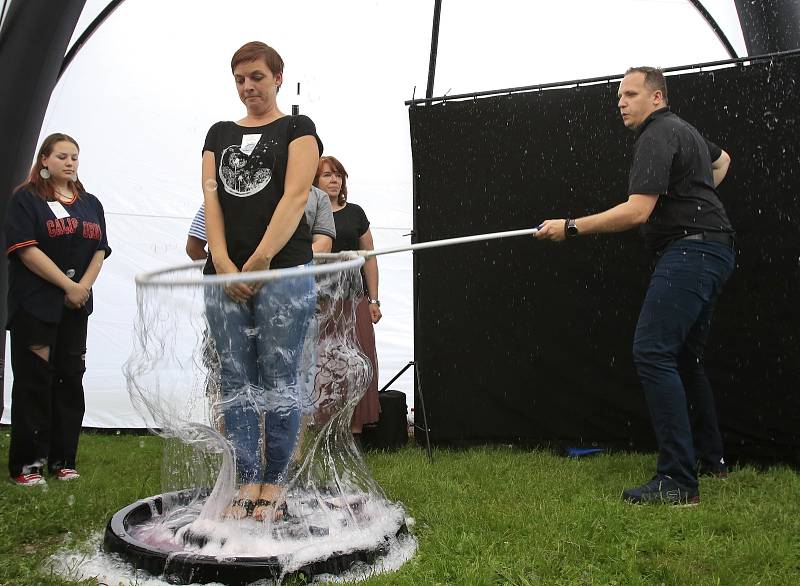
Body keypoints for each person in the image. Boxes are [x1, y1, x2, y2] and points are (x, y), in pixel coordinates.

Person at [535, 66, 735, 506]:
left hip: (691, 251)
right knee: (684, 356)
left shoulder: (656, 134)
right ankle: (710, 459)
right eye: (619, 97)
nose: (621, 103)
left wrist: (570, 227)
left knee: (653, 351)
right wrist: (690, 197)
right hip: (716, 248)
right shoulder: (685, 131)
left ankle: (678, 481)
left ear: (657, 98)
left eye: (630, 95)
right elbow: (722, 162)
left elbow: (636, 212)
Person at [202, 41, 322, 521]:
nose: (248, 86)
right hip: (225, 275)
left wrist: (260, 259)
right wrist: (225, 263)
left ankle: (275, 482)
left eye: (256, 76)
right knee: (235, 379)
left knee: (279, 378)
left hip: (282, 271)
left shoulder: (299, 128)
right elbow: (210, 201)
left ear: (276, 77)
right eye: (239, 79)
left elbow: (295, 198)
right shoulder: (219, 133)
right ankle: (247, 477)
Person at [5, 133, 111, 486]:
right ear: (45, 161)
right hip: (37, 302)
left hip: (76, 305)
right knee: (35, 379)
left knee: (69, 379)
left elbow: (100, 249)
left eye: (75, 157)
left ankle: (63, 460)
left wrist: (82, 287)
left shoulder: (90, 203)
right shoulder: (27, 199)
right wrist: (66, 285)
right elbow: (26, 249)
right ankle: (28, 465)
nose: (69, 162)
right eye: (62, 156)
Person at [314, 156, 382, 445]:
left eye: (338, 175)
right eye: (327, 174)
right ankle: (324, 428)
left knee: (359, 361)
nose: (334, 180)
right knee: (325, 362)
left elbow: (369, 258)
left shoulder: (355, 213)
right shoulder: (309, 213)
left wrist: (374, 299)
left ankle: (354, 433)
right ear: (314, 181)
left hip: (354, 301)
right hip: (320, 302)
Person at [185, 186, 335, 261]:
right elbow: (193, 247)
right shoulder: (228, 188)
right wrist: (222, 272)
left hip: (292, 284)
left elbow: (324, 245)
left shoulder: (317, 196)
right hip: (230, 286)